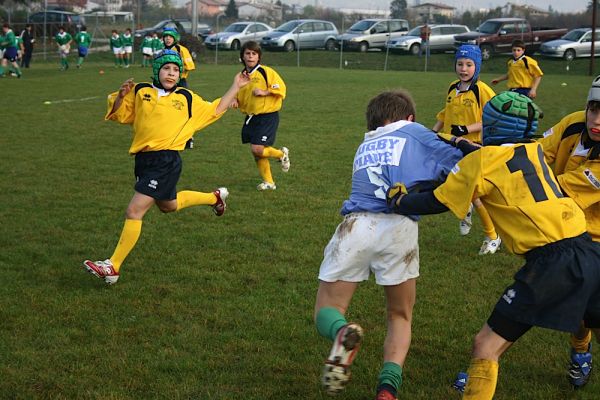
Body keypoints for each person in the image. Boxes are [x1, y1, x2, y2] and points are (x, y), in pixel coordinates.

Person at [387, 91, 600, 400]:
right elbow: (506, 159)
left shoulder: (482, 162)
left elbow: (436, 200)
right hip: (588, 249)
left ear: (488, 126)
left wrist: (400, 200)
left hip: (552, 263)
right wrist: (465, 145)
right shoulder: (534, 152)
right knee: (579, 317)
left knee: (486, 346)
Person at [315, 90, 464, 400]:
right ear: (409, 118)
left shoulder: (365, 142)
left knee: (327, 310)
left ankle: (341, 332)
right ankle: (387, 389)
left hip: (356, 225)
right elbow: (464, 163)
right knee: (399, 315)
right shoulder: (415, 131)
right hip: (399, 228)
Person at [82, 50, 250, 285]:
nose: (171, 73)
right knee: (168, 206)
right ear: (157, 70)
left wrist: (236, 86)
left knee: (134, 210)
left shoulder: (186, 97)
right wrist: (120, 97)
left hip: (166, 161)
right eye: (166, 69)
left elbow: (215, 109)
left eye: (175, 70)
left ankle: (113, 266)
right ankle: (214, 198)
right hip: (143, 159)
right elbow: (121, 114)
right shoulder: (141, 91)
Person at [537, 75, 600, 388]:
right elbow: (538, 154)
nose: (597, 120)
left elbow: (561, 187)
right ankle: (581, 351)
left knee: (590, 311)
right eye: (594, 109)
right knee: (572, 305)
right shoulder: (572, 124)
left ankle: (486, 357)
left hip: (596, 237)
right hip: (565, 230)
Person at [432, 45, 500, 255]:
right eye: (460, 64)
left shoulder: (482, 90)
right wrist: (432, 131)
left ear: (477, 67)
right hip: (451, 145)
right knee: (447, 180)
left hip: (474, 147)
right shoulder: (453, 87)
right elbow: (446, 113)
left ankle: (492, 236)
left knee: (474, 192)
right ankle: (467, 210)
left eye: (469, 65)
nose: (464, 69)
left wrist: (467, 129)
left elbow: (494, 117)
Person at [231, 41, 289, 191]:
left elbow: (280, 88)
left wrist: (265, 92)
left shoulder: (266, 72)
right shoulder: (241, 76)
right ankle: (269, 183)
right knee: (258, 153)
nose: (250, 56)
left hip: (267, 116)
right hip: (251, 117)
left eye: (254, 54)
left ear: (259, 57)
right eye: (247, 53)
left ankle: (281, 154)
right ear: (242, 56)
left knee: (257, 149)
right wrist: (235, 99)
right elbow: (237, 92)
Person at [162, 27, 196, 148]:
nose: (167, 39)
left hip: (180, 83)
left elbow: (190, 66)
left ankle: (189, 138)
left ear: (175, 38)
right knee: (167, 110)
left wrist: (176, 71)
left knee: (184, 110)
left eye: (170, 37)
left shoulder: (181, 49)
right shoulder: (163, 50)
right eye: (165, 36)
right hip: (166, 84)